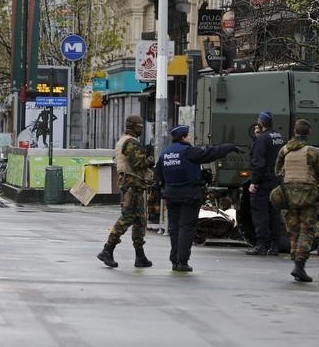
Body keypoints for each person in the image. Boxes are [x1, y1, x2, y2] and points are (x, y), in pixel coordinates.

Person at [155, 125, 239, 272]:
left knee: (174, 228)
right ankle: (182, 262)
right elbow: (211, 152)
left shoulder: (165, 153)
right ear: (183, 137)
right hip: (189, 194)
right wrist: (229, 147)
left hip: (171, 195)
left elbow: (158, 177)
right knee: (186, 228)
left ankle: (175, 261)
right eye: (188, 136)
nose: (190, 138)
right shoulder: (189, 151)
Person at [97, 115, 155, 268]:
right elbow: (138, 164)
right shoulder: (130, 142)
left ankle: (140, 255)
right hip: (132, 186)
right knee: (127, 218)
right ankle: (107, 249)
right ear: (134, 127)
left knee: (140, 221)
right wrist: (150, 159)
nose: (142, 129)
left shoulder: (125, 140)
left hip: (134, 186)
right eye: (140, 127)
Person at [275, 119, 319, 282]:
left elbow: (278, 171)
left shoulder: (284, 150)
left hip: (289, 195)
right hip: (308, 196)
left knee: (294, 230)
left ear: (294, 132)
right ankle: (299, 266)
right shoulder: (313, 152)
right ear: (309, 133)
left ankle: (296, 262)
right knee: (307, 230)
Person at [246, 110, 285, 256]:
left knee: (260, 213)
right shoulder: (279, 136)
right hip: (276, 180)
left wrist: (254, 182)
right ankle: (274, 246)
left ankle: (261, 245)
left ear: (260, 123)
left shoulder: (262, 139)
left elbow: (258, 163)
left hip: (263, 181)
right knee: (274, 213)